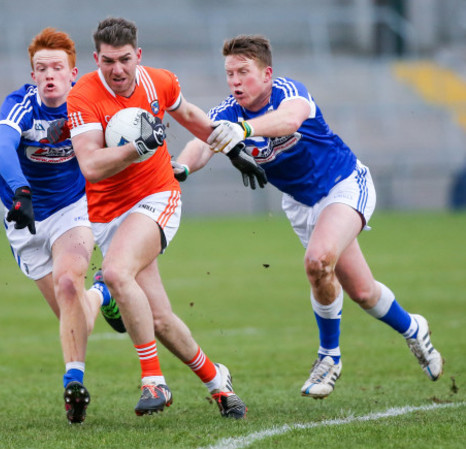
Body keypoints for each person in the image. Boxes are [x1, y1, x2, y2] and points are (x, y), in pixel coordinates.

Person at [175, 34, 444, 399]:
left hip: (344, 185)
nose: (235, 81)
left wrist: (245, 129)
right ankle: (414, 329)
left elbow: (289, 120)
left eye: (243, 72)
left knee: (317, 261)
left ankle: (329, 358)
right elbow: (201, 141)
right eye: (229, 74)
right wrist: (182, 168)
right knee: (363, 292)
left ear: (267, 74)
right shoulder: (228, 111)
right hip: (302, 205)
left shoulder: (288, 92)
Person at [67, 17, 254, 418]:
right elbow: (91, 166)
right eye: (107, 61)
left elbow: (188, 115)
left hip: (157, 196)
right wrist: (135, 148)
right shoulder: (82, 95)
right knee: (159, 319)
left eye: (125, 60)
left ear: (139, 56)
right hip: (107, 214)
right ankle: (218, 381)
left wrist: (231, 146)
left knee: (116, 275)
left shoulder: (159, 82)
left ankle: (153, 380)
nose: (117, 70)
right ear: (95, 59)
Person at [0, 27, 127, 425]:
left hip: (73, 209)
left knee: (69, 283)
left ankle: (73, 384)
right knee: (77, 315)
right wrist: (20, 191)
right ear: (32, 75)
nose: (49, 75)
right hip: (25, 215)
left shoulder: (87, 103)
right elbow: (2, 147)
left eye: (57, 67)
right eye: (41, 68)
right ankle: (103, 294)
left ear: (73, 72)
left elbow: (121, 139)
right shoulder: (19, 104)